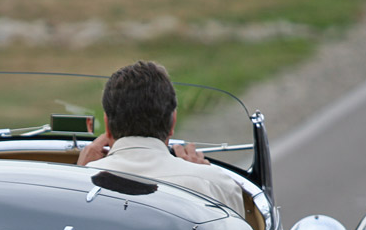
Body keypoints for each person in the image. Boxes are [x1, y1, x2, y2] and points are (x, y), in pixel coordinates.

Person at [77, 60, 245, 216]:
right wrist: (201, 177)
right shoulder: (217, 184)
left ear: (107, 125)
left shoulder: (79, 185)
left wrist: (78, 175)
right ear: (172, 122)